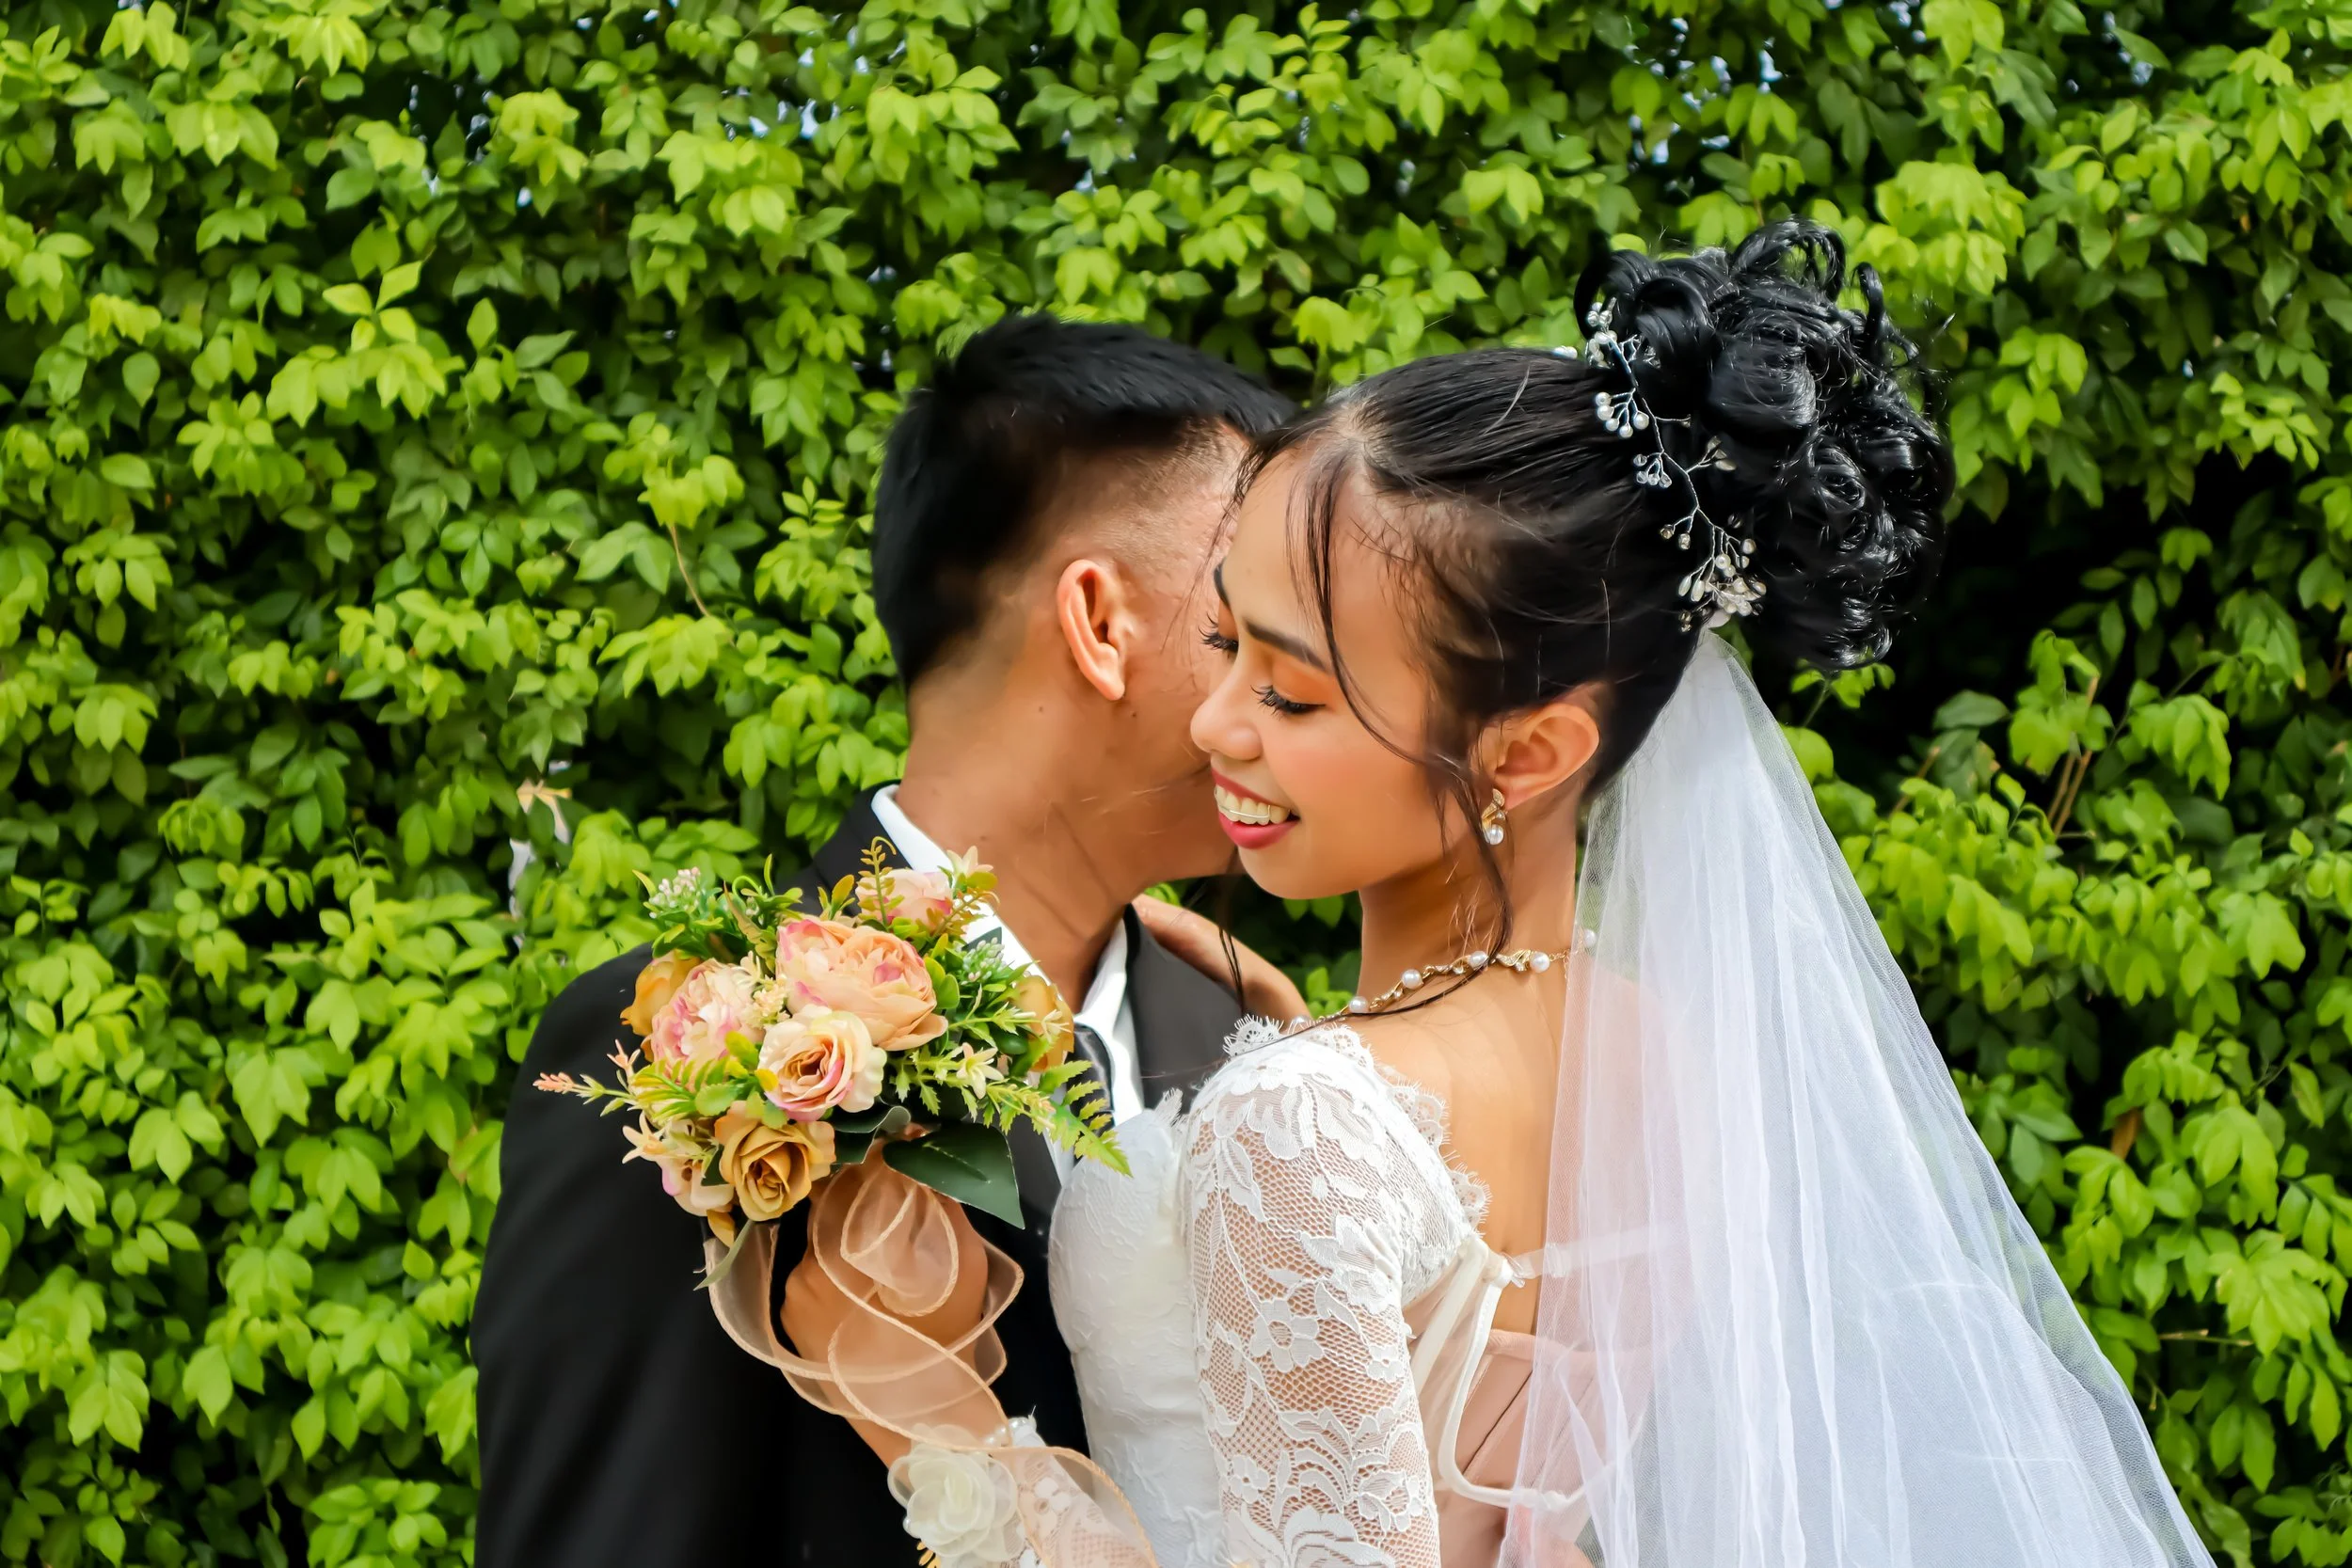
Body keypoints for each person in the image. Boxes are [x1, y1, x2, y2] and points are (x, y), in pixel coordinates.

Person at [1025, 223, 2216, 1567]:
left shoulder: (1296, 1121)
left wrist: (939, 1441)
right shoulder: (1659, 1053)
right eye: (1223, 640)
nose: (1217, 725)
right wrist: (1304, 1033)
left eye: (1293, 690)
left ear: (1529, 752)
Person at [471, 313, 1304, 1568]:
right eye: (1248, 627)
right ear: (1100, 620)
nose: (1300, 686)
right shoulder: (692, 1053)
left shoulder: (1251, 1032)